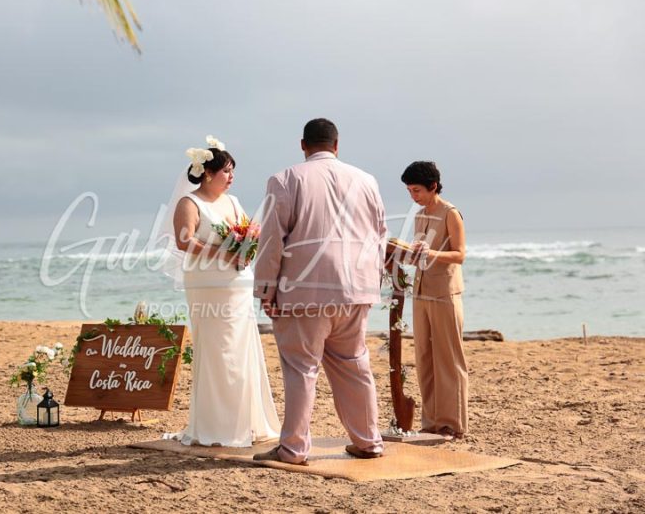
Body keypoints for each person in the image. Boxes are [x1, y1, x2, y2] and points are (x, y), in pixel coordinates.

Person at [252, 119, 387, 465]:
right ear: (337, 145)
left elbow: (271, 238)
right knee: (354, 365)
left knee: (301, 368)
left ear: (303, 145)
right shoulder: (366, 180)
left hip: (303, 292)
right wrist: (373, 282)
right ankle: (368, 441)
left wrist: (266, 289)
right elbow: (379, 235)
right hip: (357, 289)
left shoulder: (285, 179)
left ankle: (294, 448)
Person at [167, 135, 280, 447]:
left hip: (237, 283)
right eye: (226, 171)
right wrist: (224, 254)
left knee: (241, 348)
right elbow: (184, 240)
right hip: (206, 284)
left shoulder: (233, 202)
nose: (231, 177)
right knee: (218, 350)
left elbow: (247, 233)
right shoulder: (189, 203)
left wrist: (247, 250)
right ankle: (218, 426)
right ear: (207, 173)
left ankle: (247, 423)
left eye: (232, 172)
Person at [402, 160, 468, 440]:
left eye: (416, 190)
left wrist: (430, 255)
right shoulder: (419, 216)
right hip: (420, 292)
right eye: (409, 191)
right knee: (424, 358)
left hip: (445, 293)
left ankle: (452, 424)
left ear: (432, 187)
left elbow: (460, 254)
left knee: (449, 358)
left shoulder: (450, 213)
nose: (413, 196)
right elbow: (420, 253)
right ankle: (430, 423)